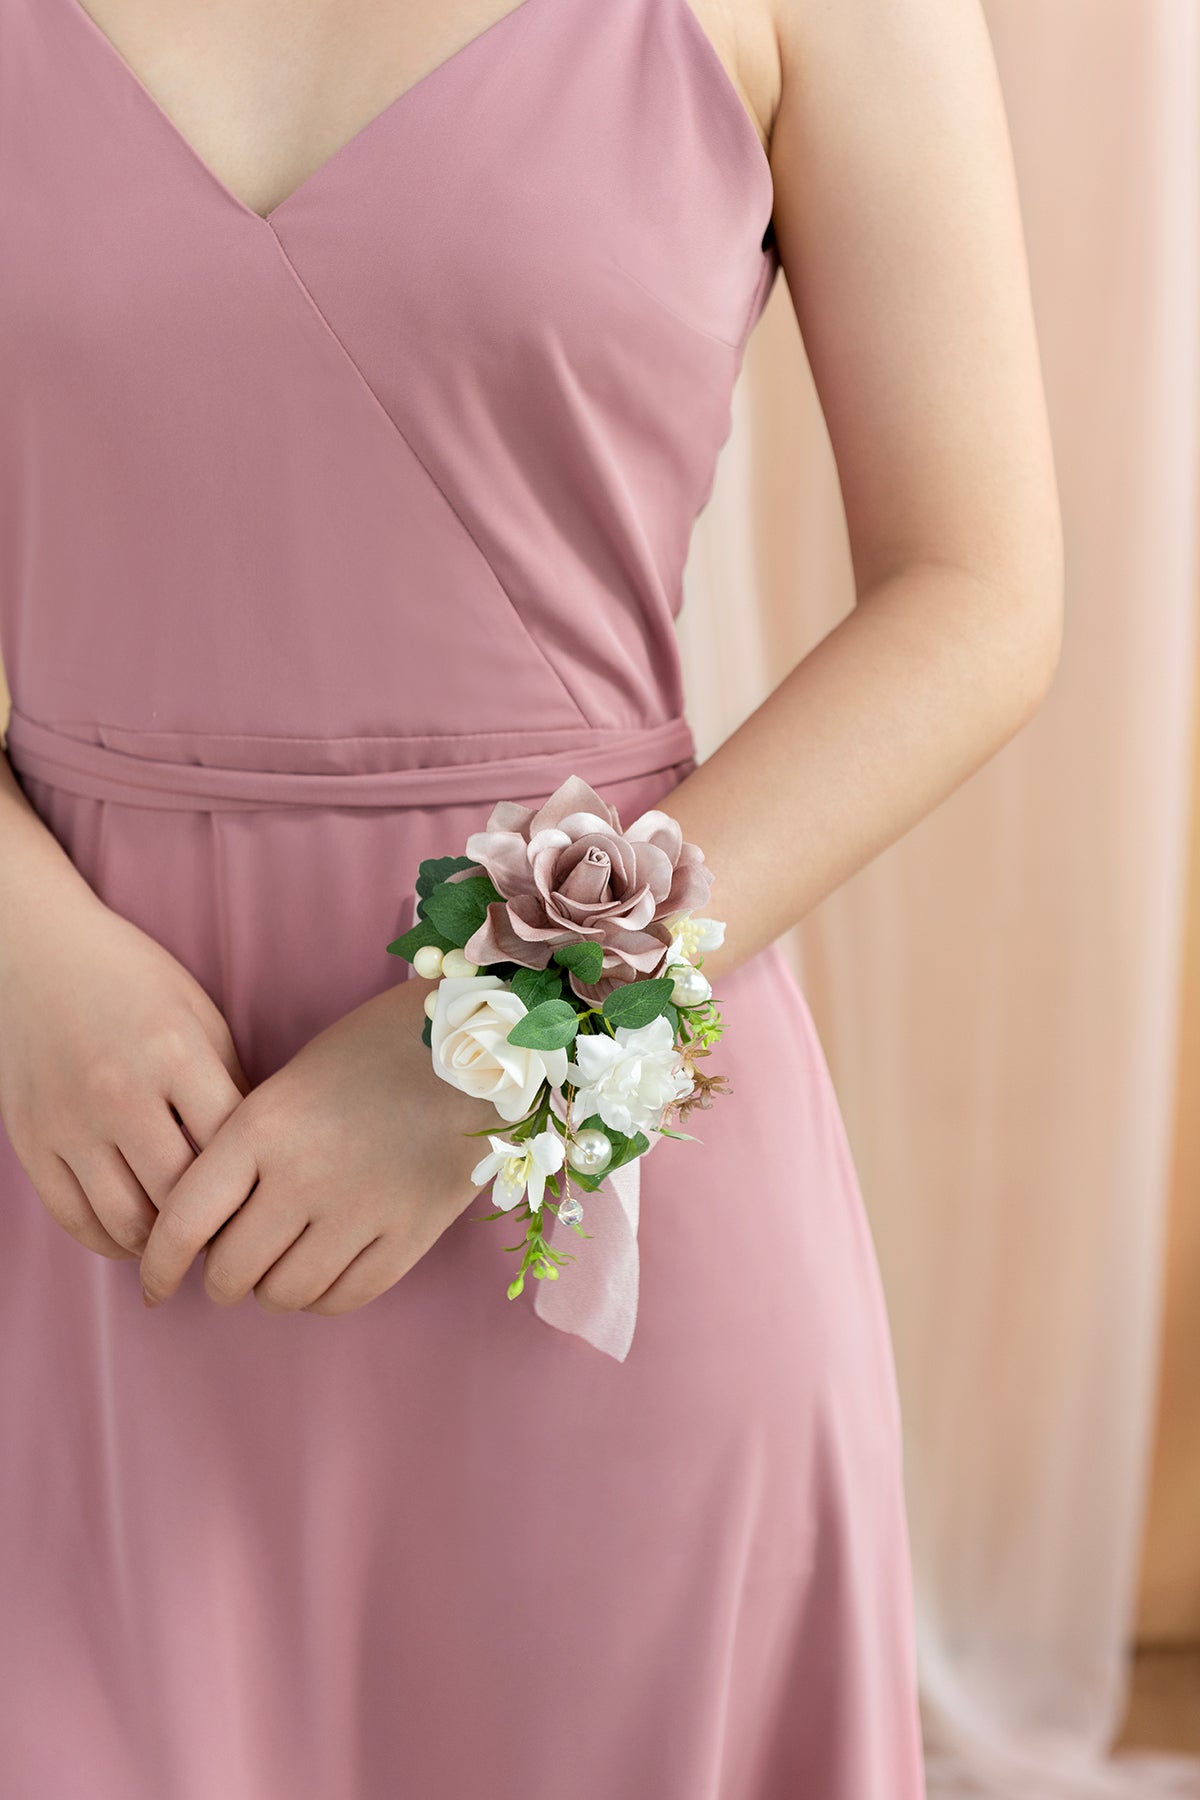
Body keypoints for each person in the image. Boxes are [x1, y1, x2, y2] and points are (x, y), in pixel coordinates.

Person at [0, 0, 1062, 1793]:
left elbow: (975, 597)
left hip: (587, 1195)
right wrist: (12, 947)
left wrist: (503, 1048)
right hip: (81, 1151)